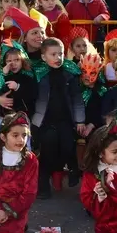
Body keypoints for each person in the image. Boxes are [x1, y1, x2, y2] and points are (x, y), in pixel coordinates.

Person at [31, 37, 88, 195]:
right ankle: (43, 186)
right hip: (44, 119)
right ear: (44, 57)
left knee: (68, 145)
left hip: (65, 118)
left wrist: (80, 120)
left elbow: (77, 99)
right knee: (48, 147)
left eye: (61, 54)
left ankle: (71, 171)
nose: (58, 58)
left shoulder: (70, 73)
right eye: (53, 54)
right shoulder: (39, 73)